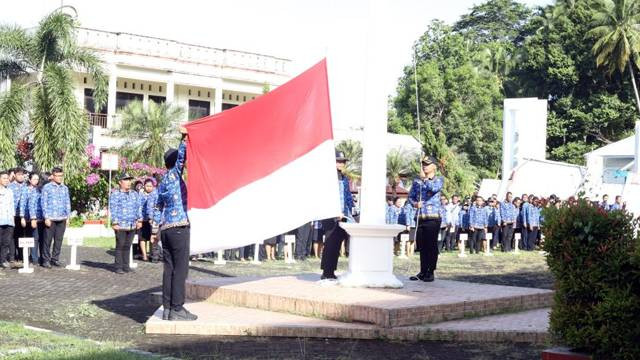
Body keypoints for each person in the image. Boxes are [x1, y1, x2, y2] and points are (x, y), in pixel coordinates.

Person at [150, 126, 197, 321]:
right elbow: (182, 156)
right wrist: (185, 136)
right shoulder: (176, 174)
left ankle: (168, 309)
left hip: (166, 230)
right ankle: (177, 308)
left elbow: (156, 207)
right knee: (180, 269)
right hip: (179, 228)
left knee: (168, 269)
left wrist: (154, 230)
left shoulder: (162, 182)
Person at [408, 155, 444, 282]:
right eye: (423, 164)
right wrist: (414, 204)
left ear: (434, 166)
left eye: (427, 164)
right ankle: (423, 271)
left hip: (433, 218)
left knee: (431, 245)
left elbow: (434, 189)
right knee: (422, 245)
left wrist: (425, 179)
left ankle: (431, 271)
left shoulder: (438, 180)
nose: (424, 166)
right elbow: (410, 196)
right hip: (420, 216)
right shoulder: (417, 181)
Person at [320, 151, 354, 280]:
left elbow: (347, 196)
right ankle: (326, 272)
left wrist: (351, 211)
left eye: (343, 161)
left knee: (337, 243)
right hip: (331, 215)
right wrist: (335, 211)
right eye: (339, 161)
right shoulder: (328, 177)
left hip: (343, 215)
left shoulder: (344, 178)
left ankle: (331, 271)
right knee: (330, 243)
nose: (341, 163)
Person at [110, 173, 143, 273]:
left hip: (132, 224)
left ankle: (126, 265)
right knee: (120, 245)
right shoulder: (116, 194)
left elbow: (138, 207)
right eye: (126, 180)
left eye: (129, 180)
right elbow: (113, 208)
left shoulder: (134, 194)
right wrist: (115, 222)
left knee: (128, 246)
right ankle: (118, 267)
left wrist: (139, 220)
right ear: (120, 182)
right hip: (120, 225)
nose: (128, 182)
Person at [41, 167, 70, 268]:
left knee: (58, 240)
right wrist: (46, 217)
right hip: (51, 218)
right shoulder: (47, 187)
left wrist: (68, 217)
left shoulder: (65, 188)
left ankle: (55, 259)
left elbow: (67, 203)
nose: (59, 178)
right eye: (57, 176)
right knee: (47, 240)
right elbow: (43, 203)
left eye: (61, 176)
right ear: (52, 176)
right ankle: (45, 260)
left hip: (62, 218)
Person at [7, 167, 27, 263]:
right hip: (12, 216)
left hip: (23, 217)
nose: (21, 176)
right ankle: (12, 257)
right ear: (14, 175)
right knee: (12, 236)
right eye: (19, 174)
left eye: (22, 174)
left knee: (21, 236)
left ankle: (22, 256)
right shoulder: (10, 186)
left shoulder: (26, 186)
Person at [21, 173, 42, 265]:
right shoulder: (26, 189)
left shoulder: (40, 190)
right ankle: (34, 258)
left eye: (37, 179)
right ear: (29, 180)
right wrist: (22, 217)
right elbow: (23, 203)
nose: (36, 181)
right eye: (34, 179)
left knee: (39, 238)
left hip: (41, 218)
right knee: (34, 238)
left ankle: (38, 257)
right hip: (30, 218)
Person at [140, 179, 158, 262]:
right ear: (144, 186)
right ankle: (144, 255)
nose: (149, 188)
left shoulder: (155, 194)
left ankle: (152, 254)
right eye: (147, 186)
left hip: (152, 220)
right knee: (143, 238)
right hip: (143, 219)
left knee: (153, 237)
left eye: (151, 186)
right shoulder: (140, 195)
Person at [0, 171, 14, 269]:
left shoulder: (10, 191)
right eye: (4, 178)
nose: (6, 180)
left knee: (6, 242)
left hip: (9, 221)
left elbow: (12, 206)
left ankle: (3, 260)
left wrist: (12, 219)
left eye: (7, 178)